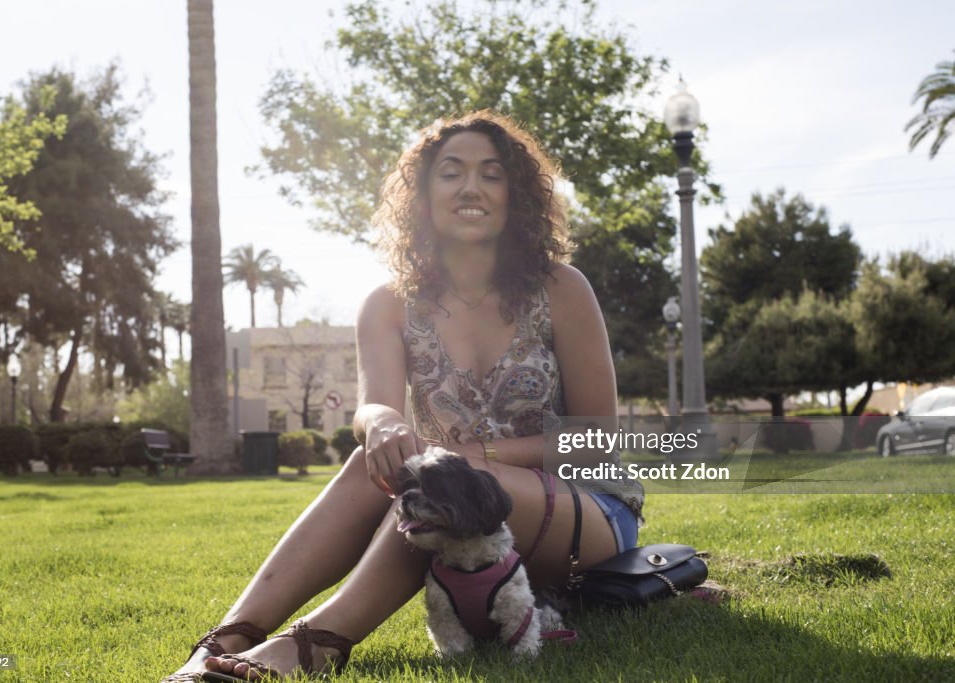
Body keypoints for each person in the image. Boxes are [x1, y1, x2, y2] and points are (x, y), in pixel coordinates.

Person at [163, 110, 644, 682]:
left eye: (491, 174)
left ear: (514, 194)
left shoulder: (562, 287)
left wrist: (479, 458)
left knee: (436, 477)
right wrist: (384, 424)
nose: (471, 186)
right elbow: (374, 405)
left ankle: (316, 645)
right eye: (451, 173)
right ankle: (227, 639)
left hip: (582, 514)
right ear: (422, 193)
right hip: (457, 499)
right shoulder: (388, 303)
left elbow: (597, 438)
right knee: (373, 465)